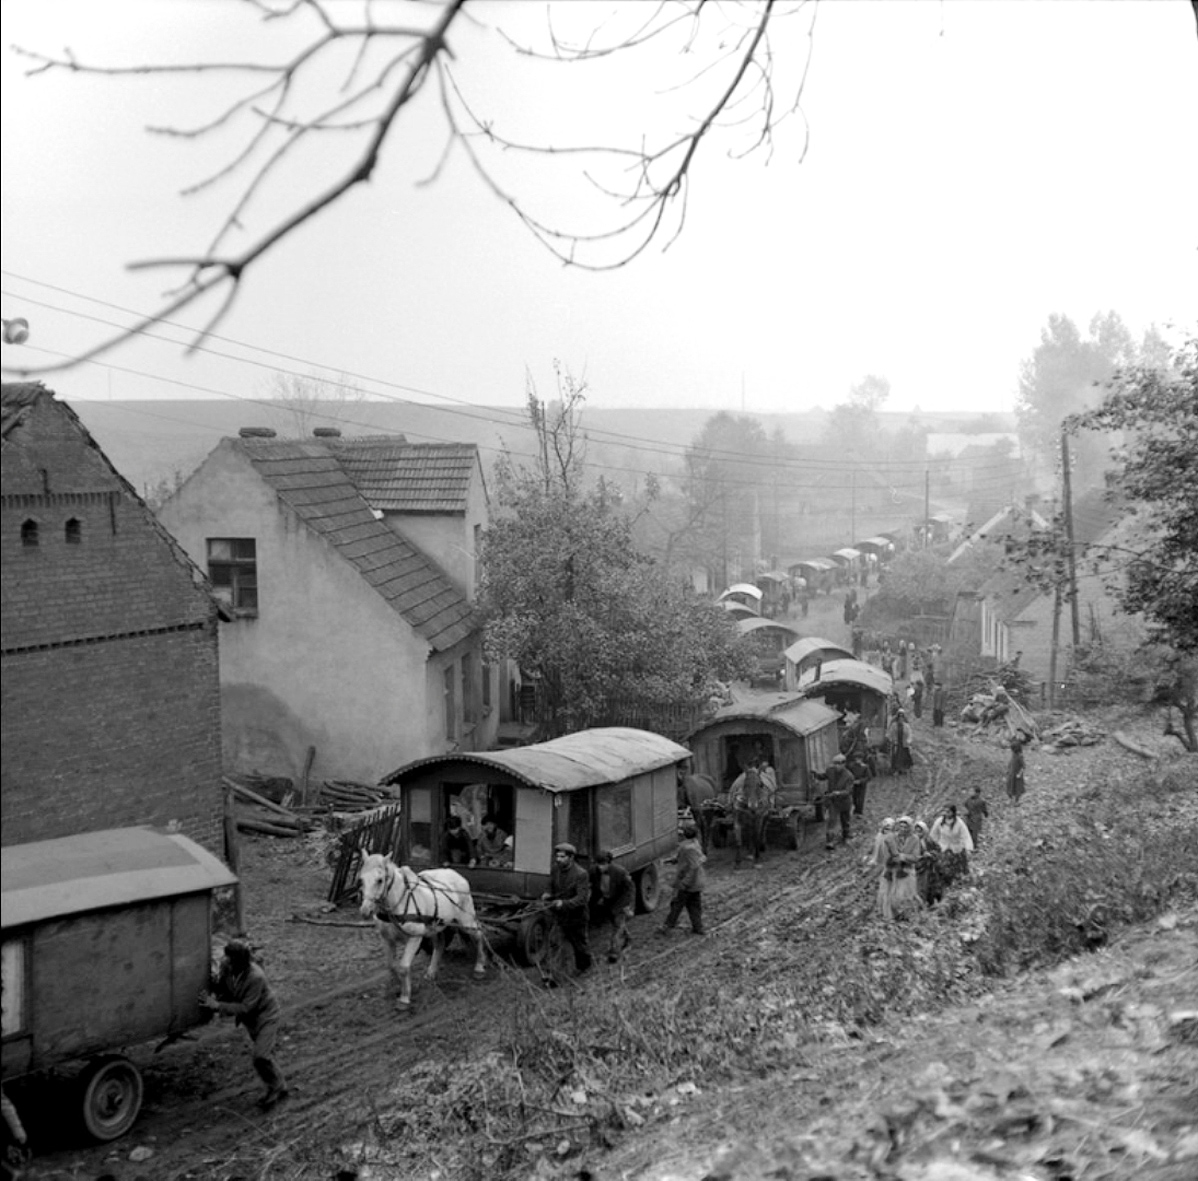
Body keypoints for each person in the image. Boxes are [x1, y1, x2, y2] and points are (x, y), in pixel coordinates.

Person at [200, 939, 287, 1109]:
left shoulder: (256, 977)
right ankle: (280, 1085)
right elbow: (224, 987)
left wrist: (217, 1005)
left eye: (233, 962)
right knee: (264, 1055)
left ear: (242, 962)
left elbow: (246, 1007)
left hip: (266, 1017)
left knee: (260, 1056)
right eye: (228, 960)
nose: (229, 964)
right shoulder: (227, 965)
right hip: (251, 1021)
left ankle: (276, 1088)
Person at [541, 843, 592, 977]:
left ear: (571, 858)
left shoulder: (581, 874)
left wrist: (563, 903)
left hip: (577, 917)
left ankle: (584, 967)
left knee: (579, 946)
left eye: (562, 857)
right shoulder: (555, 870)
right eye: (557, 856)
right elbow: (550, 885)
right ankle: (552, 975)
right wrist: (547, 893)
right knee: (554, 943)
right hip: (560, 916)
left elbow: (582, 899)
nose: (558, 859)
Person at [660, 820, 707, 936]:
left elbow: (693, 867)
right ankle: (698, 927)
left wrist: (685, 883)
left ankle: (667, 926)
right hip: (697, 882)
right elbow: (695, 859)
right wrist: (672, 860)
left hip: (688, 883)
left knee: (677, 904)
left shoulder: (687, 848)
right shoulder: (695, 844)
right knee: (694, 905)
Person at [593, 850, 634, 963]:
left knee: (617, 926)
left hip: (620, 902)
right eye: (598, 864)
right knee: (618, 924)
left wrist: (626, 905)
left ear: (609, 863)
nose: (600, 867)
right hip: (608, 902)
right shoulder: (594, 872)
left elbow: (630, 890)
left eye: (603, 864)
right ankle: (628, 939)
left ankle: (614, 953)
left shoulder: (620, 872)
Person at [879, 817, 923, 920]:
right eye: (901, 826)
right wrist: (891, 860)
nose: (902, 829)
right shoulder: (892, 838)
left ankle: (907, 916)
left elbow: (916, 857)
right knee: (888, 895)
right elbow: (886, 854)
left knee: (905, 896)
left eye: (905, 827)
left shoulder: (914, 839)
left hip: (907, 871)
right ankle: (890, 917)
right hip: (892, 869)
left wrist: (903, 857)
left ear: (910, 828)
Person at [731, 760, 768, 867]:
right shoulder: (741, 792)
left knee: (757, 830)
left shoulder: (760, 783)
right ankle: (739, 856)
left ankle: (757, 855)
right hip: (745, 803)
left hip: (755, 800)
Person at [814, 753, 854, 849]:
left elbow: (848, 791)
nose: (837, 766)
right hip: (833, 802)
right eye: (835, 763)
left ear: (844, 764)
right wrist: (815, 774)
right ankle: (830, 841)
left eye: (839, 763)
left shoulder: (849, 776)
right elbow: (823, 776)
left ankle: (846, 836)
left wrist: (838, 793)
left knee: (845, 820)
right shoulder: (830, 771)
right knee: (832, 820)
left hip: (844, 802)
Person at [930, 804, 974, 886]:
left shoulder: (959, 823)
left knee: (958, 870)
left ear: (953, 813)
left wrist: (968, 849)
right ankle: (944, 884)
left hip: (956, 849)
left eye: (948, 812)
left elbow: (965, 836)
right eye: (945, 811)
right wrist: (932, 845)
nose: (946, 813)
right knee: (942, 868)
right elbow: (934, 834)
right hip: (943, 848)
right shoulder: (939, 822)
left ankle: (958, 885)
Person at [887, 709, 914, 775]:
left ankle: (904, 769)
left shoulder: (906, 726)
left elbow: (910, 734)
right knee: (896, 757)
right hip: (896, 744)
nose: (900, 719)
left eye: (902, 718)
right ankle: (896, 769)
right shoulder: (893, 725)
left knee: (905, 757)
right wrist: (892, 740)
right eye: (899, 717)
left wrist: (908, 741)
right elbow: (889, 734)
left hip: (904, 744)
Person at [1006, 732, 1028, 803]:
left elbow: (1023, 766)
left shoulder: (1019, 757)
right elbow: (1011, 763)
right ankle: (1010, 798)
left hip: (1017, 776)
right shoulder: (1013, 755)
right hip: (1011, 774)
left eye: (1012, 749)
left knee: (1017, 789)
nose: (1011, 751)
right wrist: (1008, 769)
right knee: (1010, 787)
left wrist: (1019, 773)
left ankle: (1017, 801)